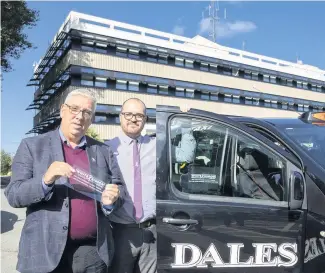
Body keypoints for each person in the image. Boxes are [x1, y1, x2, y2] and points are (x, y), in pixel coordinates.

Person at [4, 88, 123, 273]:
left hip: (92, 251)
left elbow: (118, 189)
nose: (80, 116)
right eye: (74, 108)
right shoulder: (32, 146)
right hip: (44, 250)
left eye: (86, 112)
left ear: (91, 118)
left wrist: (110, 203)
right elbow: (13, 194)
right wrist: (45, 180)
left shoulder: (103, 151)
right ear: (62, 110)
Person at [106, 99, 196, 273]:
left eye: (139, 115)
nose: (133, 119)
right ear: (120, 117)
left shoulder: (156, 146)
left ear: (145, 119)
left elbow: (186, 155)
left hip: (151, 232)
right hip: (120, 232)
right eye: (128, 114)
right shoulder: (108, 148)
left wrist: (185, 123)